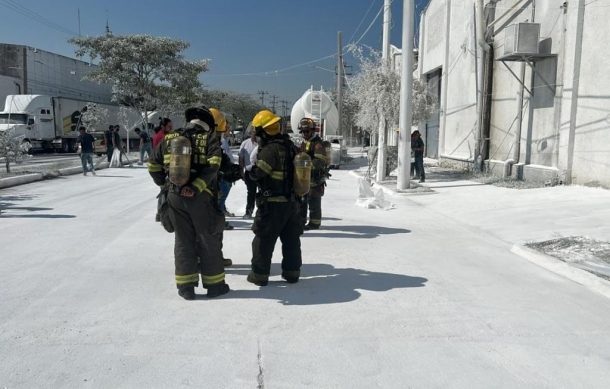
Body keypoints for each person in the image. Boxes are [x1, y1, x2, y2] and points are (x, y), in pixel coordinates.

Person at [148, 106, 229, 300]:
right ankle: (214, 285)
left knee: (183, 241)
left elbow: (152, 165)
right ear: (208, 124)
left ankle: (186, 288)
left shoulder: (169, 138)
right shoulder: (209, 138)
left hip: (174, 197)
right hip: (200, 198)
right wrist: (195, 187)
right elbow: (214, 166)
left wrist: (165, 185)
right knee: (207, 238)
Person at [247, 109, 303, 286]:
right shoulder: (290, 146)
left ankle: (259, 275)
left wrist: (248, 172)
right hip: (292, 204)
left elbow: (259, 173)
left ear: (263, 131)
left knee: (263, 240)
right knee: (291, 240)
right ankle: (292, 273)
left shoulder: (270, 149)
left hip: (272, 205)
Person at [298, 117, 329, 230]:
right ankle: (300, 222)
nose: (304, 134)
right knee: (302, 202)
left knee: (314, 201)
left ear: (312, 131)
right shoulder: (305, 142)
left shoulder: (317, 145)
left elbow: (319, 162)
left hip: (315, 179)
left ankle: (314, 223)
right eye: (302, 131)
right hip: (304, 179)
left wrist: (305, 165)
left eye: (306, 131)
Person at [239, 127, 258, 219]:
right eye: (253, 132)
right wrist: (241, 171)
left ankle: (262, 212)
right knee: (251, 193)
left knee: (263, 193)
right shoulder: (245, 143)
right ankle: (248, 211)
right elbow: (241, 158)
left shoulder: (262, 143)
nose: (254, 134)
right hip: (249, 172)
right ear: (250, 133)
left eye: (256, 132)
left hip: (261, 172)